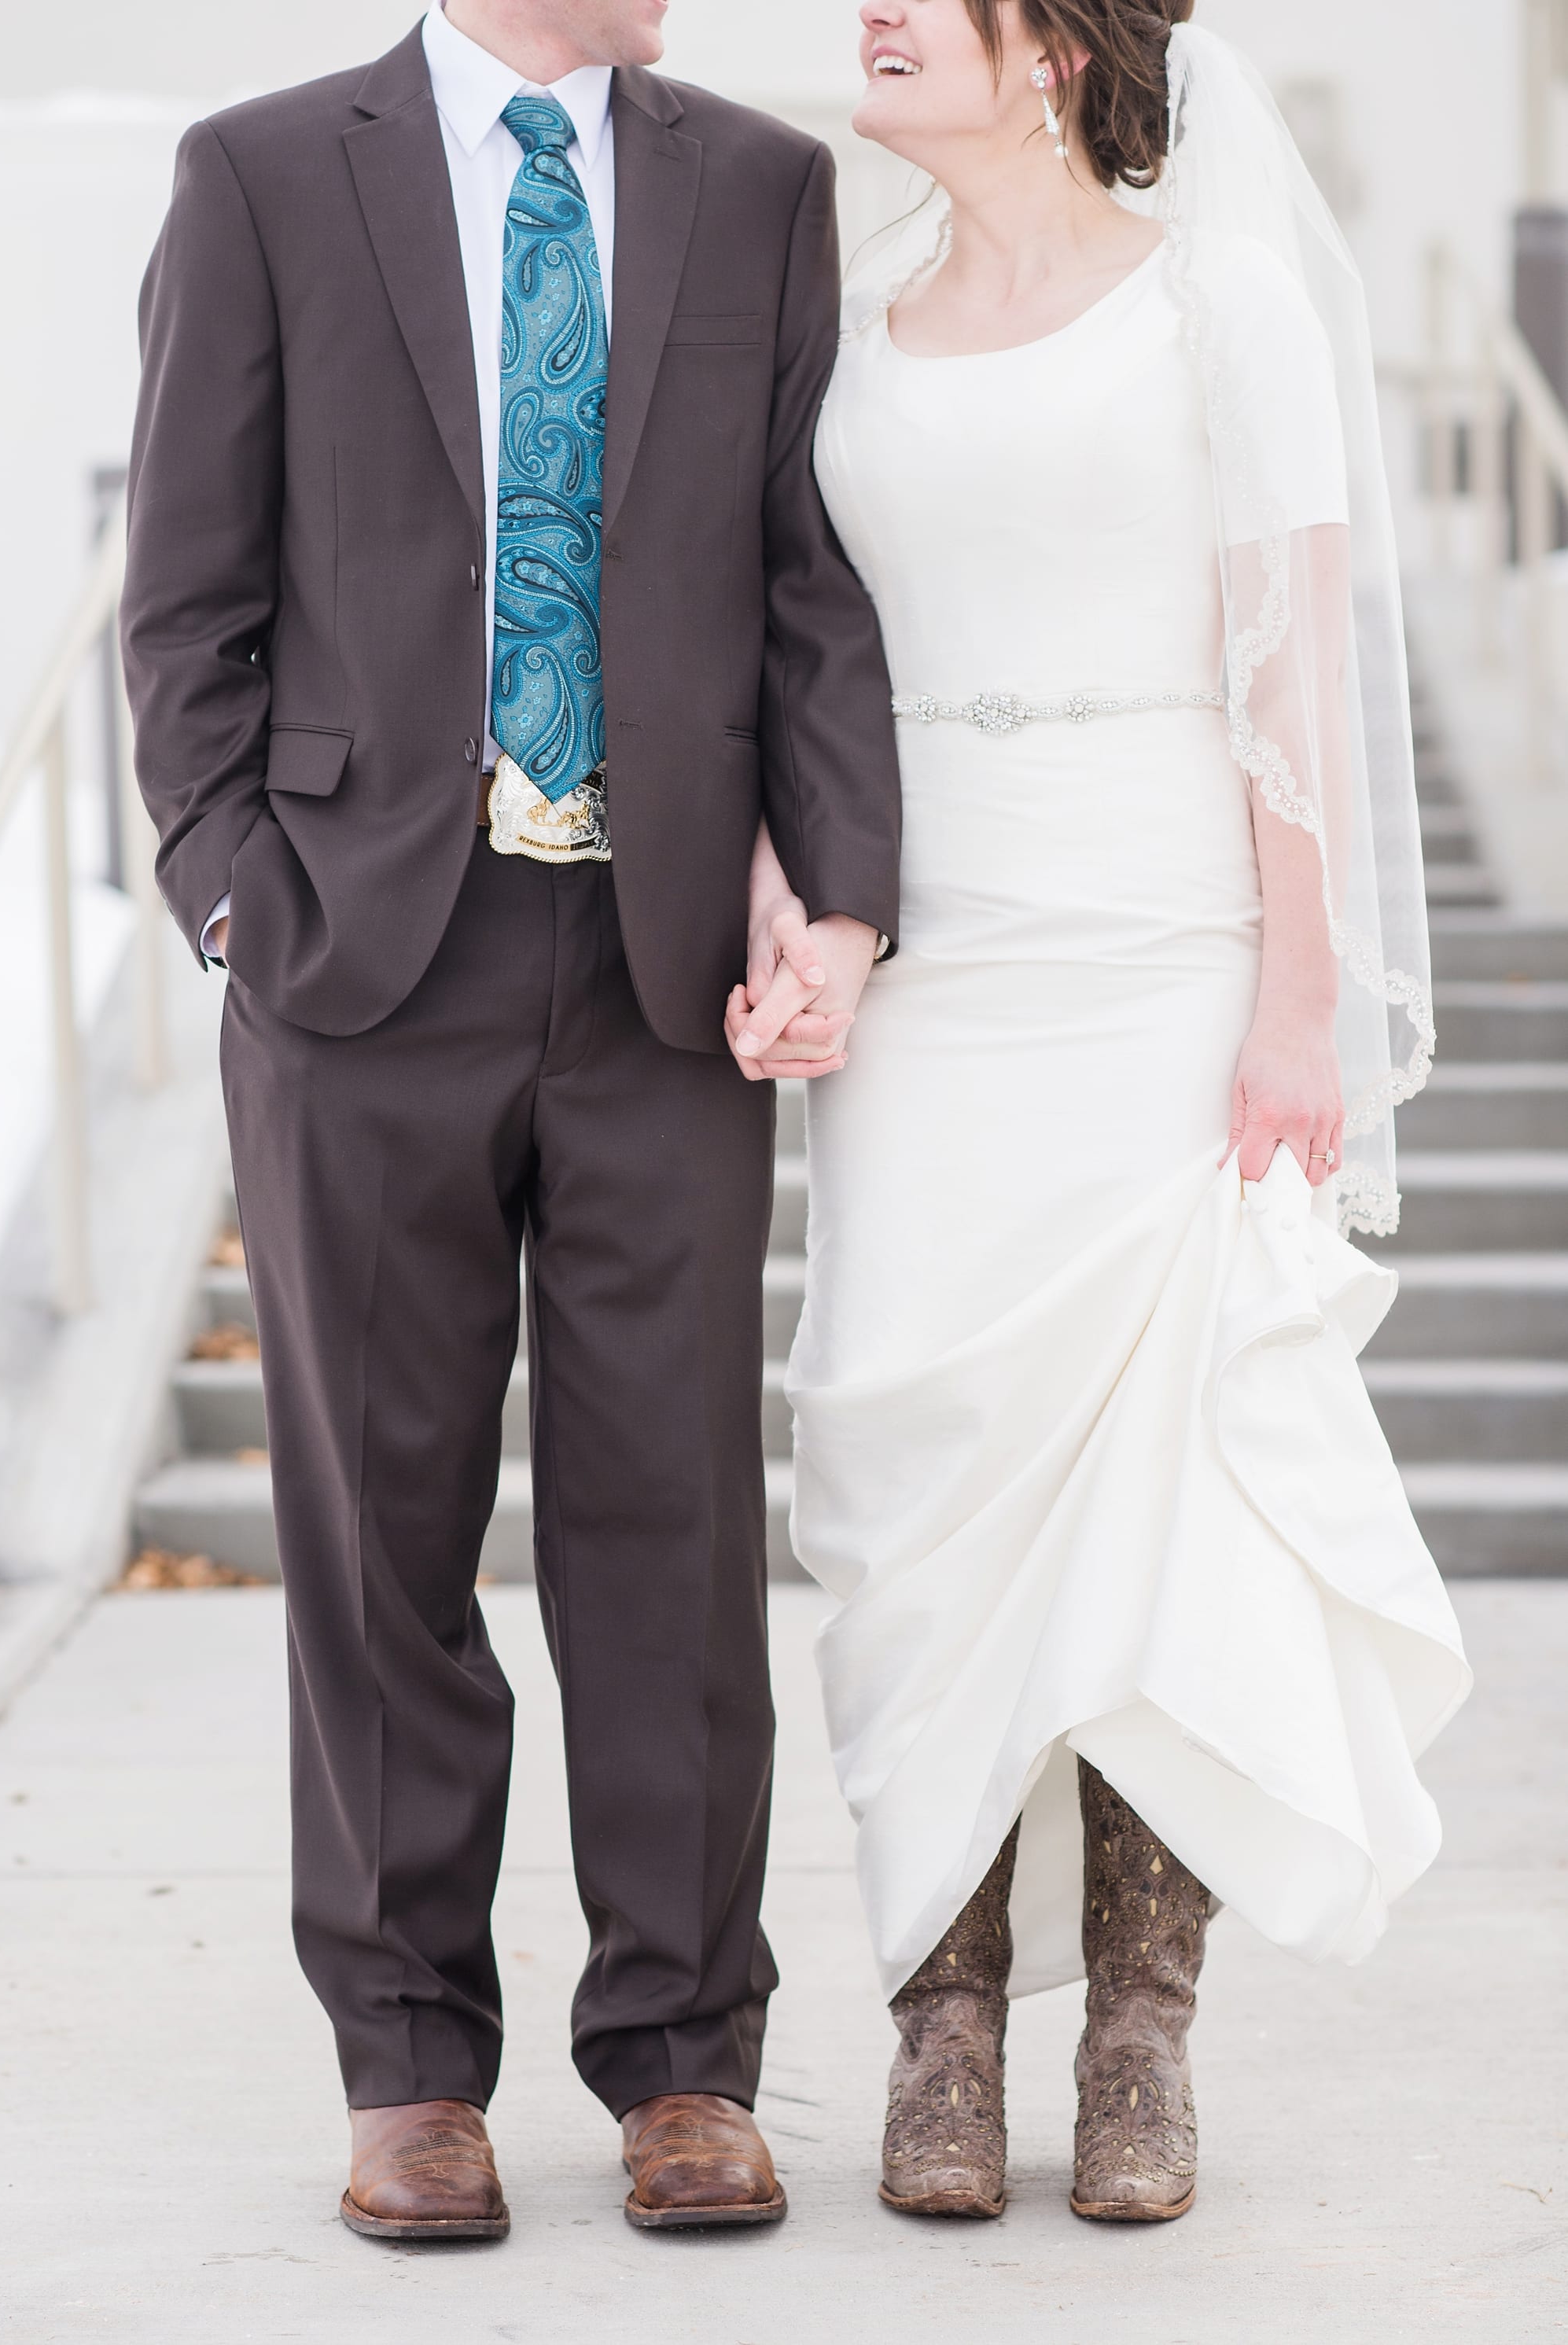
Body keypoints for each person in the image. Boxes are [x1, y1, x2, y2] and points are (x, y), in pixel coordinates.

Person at [121, 0, 900, 2240]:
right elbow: (188, 593)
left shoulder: (756, 183)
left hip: (661, 967)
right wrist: (228, 900)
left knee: (668, 1531)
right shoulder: (263, 170)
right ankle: (403, 2064)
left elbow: (798, 577)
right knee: (381, 1530)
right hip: (360, 962)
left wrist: (836, 893)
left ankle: (680, 2058)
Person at [731, 0, 1472, 2226]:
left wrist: (1296, 1003)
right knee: (911, 1473)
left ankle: (1139, 2033)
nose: (864, 18)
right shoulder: (843, 328)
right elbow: (778, 658)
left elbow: (1296, 676)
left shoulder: (1218, 306)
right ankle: (941, 2023)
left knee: (1171, 1505)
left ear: (1048, 47)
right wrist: (788, 905)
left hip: (1161, 958)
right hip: (924, 974)